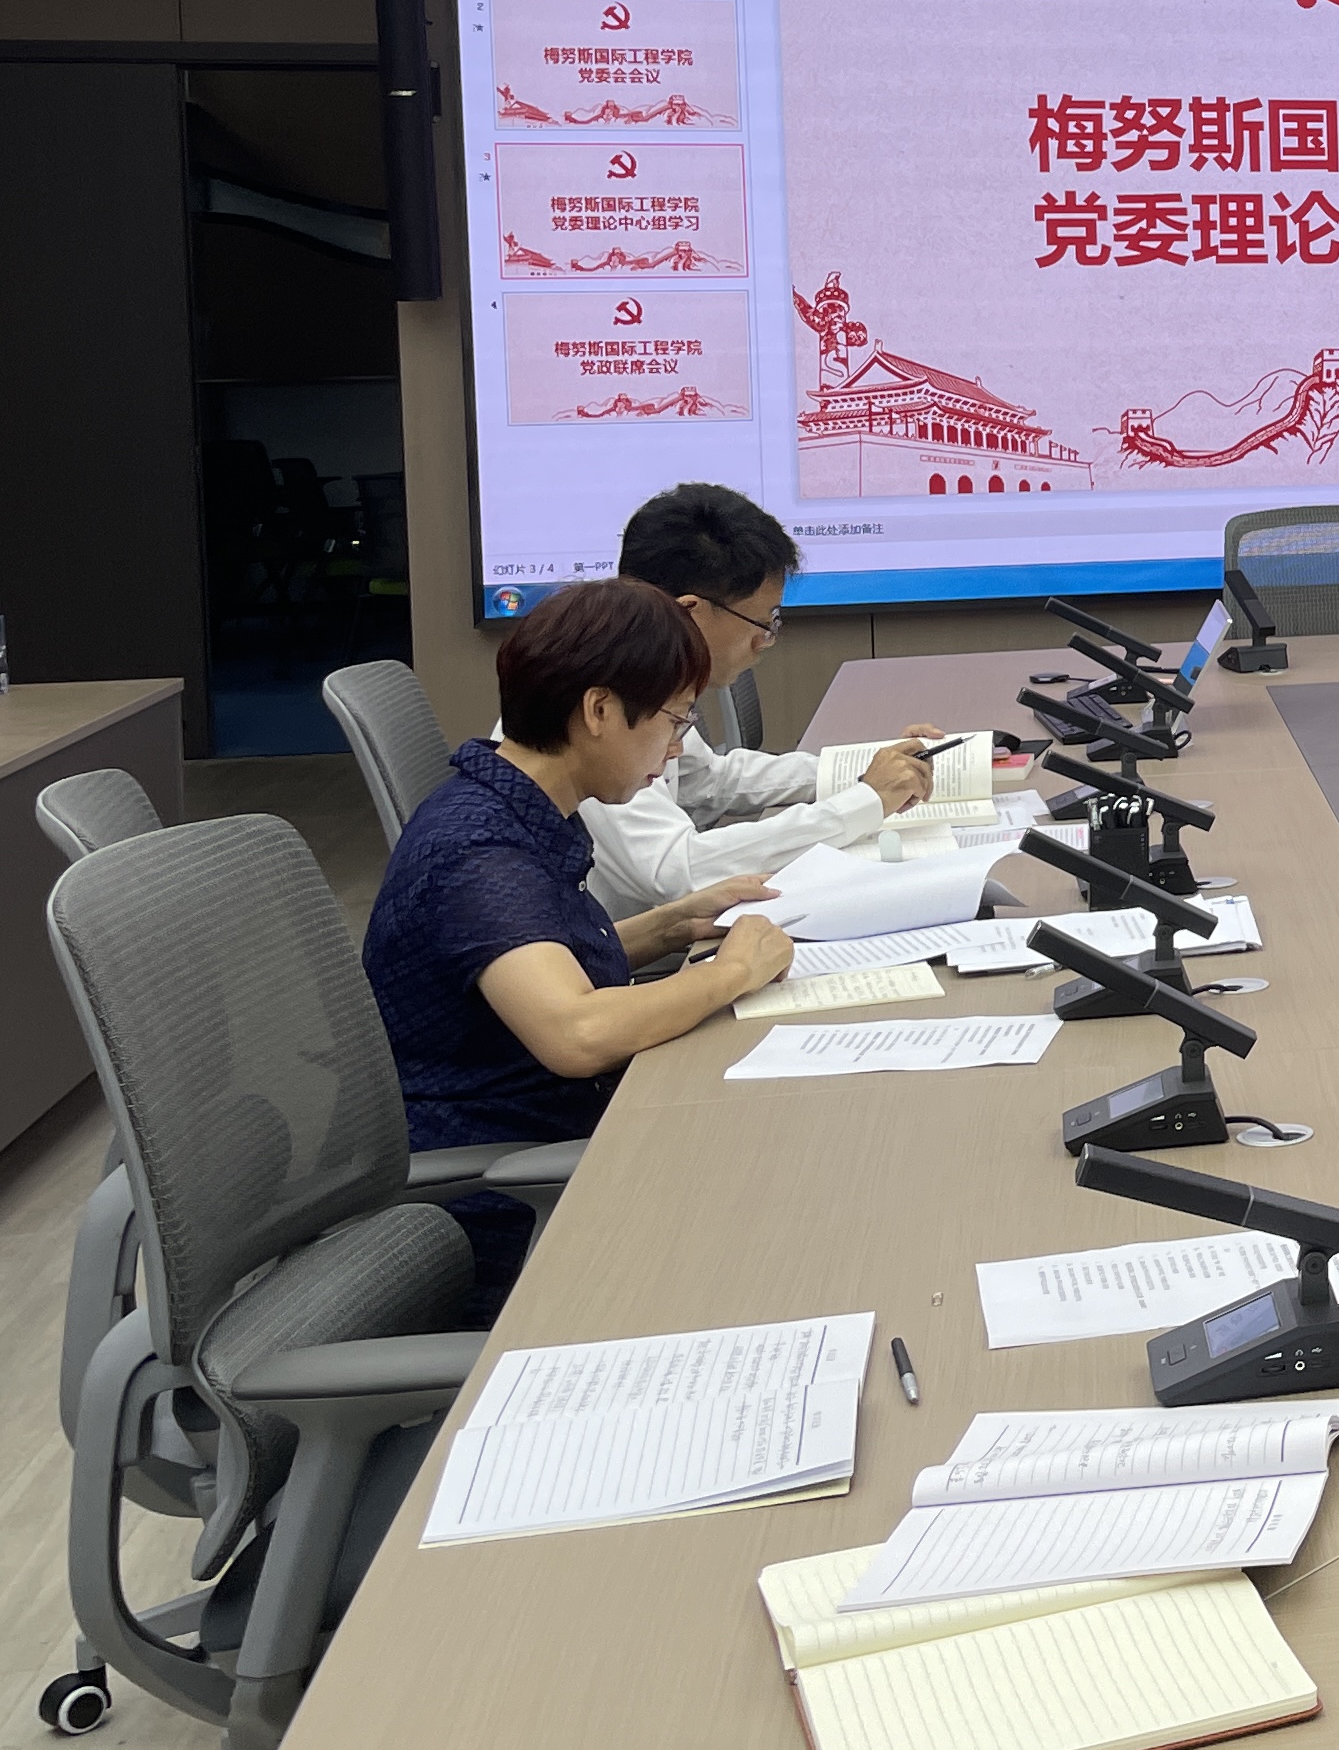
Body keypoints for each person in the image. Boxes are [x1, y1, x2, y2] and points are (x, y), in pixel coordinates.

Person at [367, 579, 794, 1314]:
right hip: (511, 1200)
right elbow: (576, 1031)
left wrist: (669, 925)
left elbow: (540, 959)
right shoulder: (479, 852)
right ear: (599, 711)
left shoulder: (513, 802)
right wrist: (729, 974)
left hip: (574, 1138)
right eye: (673, 720)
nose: (677, 748)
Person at [574, 482, 943, 919]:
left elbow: (707, 781)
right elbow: (678, 871)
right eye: (762, 622)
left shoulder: (639, 671)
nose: (765, 640)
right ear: (690, 611)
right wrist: (864, 802)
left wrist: (860, 769)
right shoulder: (601, 703)